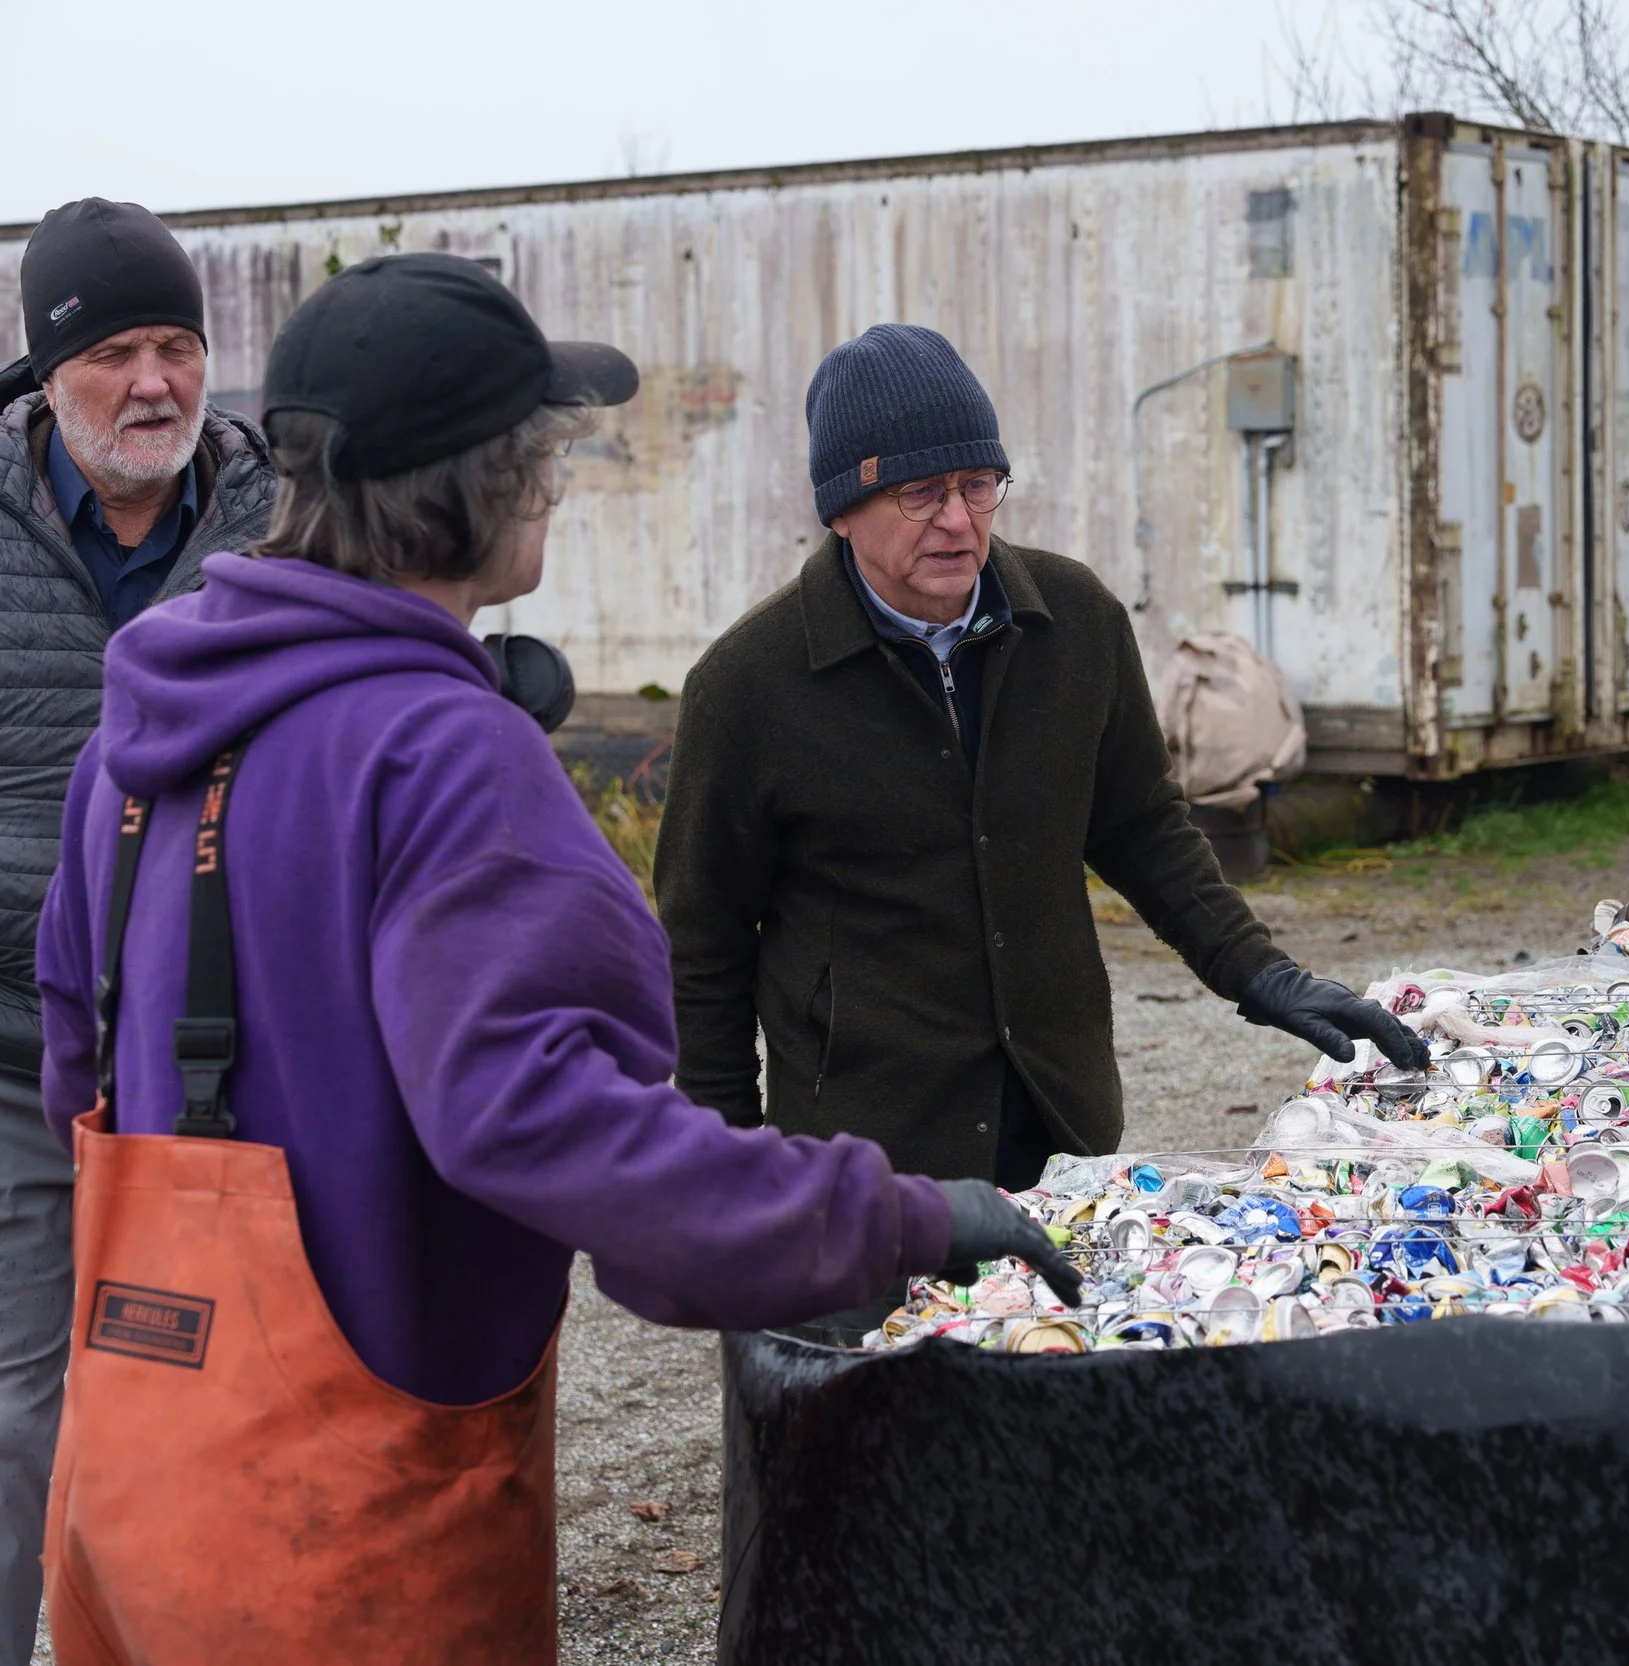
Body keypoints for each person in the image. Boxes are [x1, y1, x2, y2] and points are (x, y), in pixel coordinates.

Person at [32, 253, 1076, 1664]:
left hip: (131, 1499)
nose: (558, 480)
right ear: (468, 482)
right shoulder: (448, 754)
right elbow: (556, 1130)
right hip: (352, 1545)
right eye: (540, 450)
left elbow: (74, 1080)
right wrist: (892, 1217)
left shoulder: (134, 744)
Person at [655, 323, 1428, 1216]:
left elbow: (1140, 823)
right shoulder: (749, 686)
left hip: (1062, 1131)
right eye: (919, 494)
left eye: (977, 485)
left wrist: (1257, 973)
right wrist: (729, 1162)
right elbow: (702, 943)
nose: (958, 520)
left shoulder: (1074, 622)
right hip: (868, 1163)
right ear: (839, 508)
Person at [0, 199, 276, 1666]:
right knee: (15, 1404)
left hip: (230, 1054)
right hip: (11, 1051)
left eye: (178, 345)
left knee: (236, 1399)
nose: (156, 381)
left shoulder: (278, 523)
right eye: (115, 351)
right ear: (47, 371)